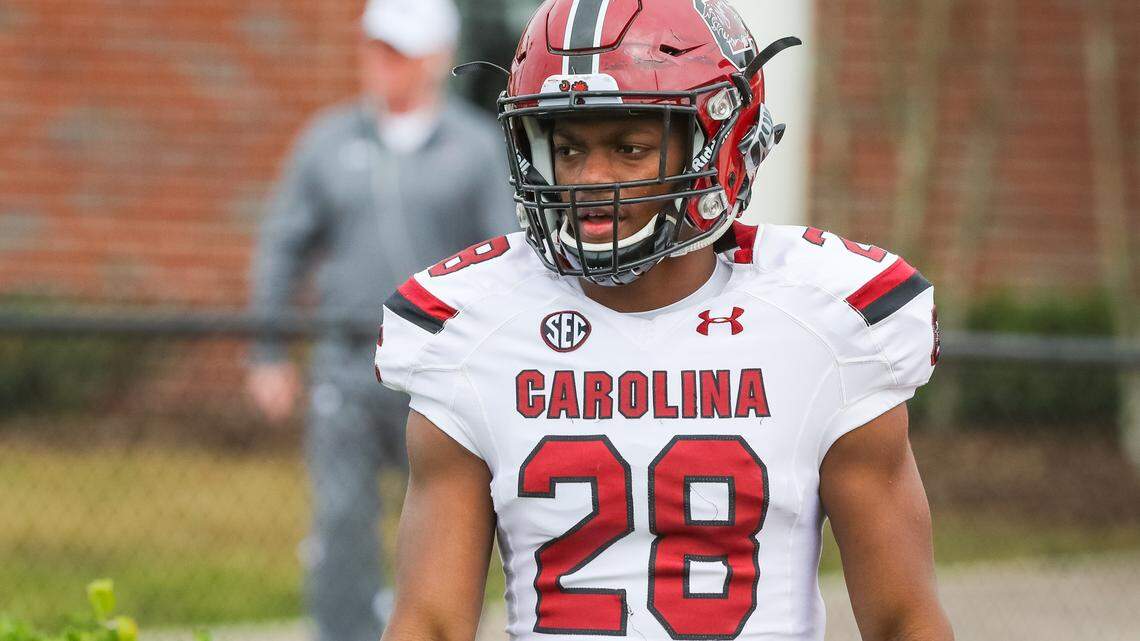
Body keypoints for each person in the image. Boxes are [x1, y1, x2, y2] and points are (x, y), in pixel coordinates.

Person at [374, 1, 954, 640]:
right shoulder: (471, 327)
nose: (590, 180)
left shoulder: (827, 322)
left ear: (720, 143)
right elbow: (429, 623)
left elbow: (904, 620)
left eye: (630, 148)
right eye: (567, 148)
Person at [246, 0, 514, 639]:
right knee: (340, 518)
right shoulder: (327, 141)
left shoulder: (476, 148)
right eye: (375, 47)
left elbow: (508, 258)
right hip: (346, 366)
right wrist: (268, 354)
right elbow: (283, 247)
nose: (381, 64)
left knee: (449, 519)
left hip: (442, 374)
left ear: (435, 58)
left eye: (398, 51)